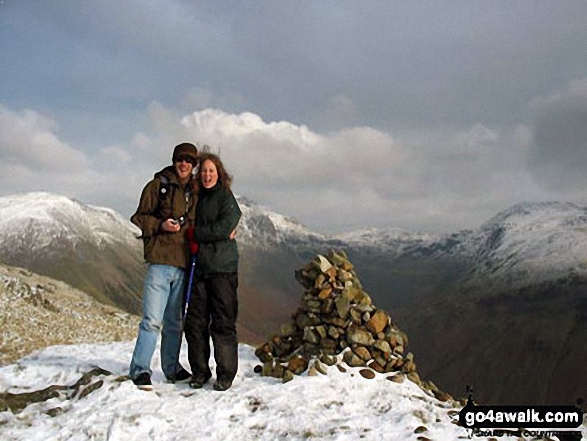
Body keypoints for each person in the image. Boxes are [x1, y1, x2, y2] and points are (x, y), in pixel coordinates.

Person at [129, 142, 199, 391]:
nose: (184, 164)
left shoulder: (196, 191)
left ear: (193, 165)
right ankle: (140, 370)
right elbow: (139, 217)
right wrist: (161, 226)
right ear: (174, 161)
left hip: (183, 266)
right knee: (151, 321)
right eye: (180, 159)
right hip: (160, 263)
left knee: (174, 323)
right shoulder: (157, 186)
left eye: (189, 161)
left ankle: (171, 368)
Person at [184, 152, 242, 392]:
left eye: (211, 171)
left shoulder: (225, 197)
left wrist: (196, 234)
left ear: (219, 174)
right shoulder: (197, 199)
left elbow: (227, 224)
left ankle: (225, 374)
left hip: (222, 269)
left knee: (223, 322)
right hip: (199, 269)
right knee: (195, 322)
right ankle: (199, 371)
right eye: (204, 171)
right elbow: (213, 229)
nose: (207, 175)